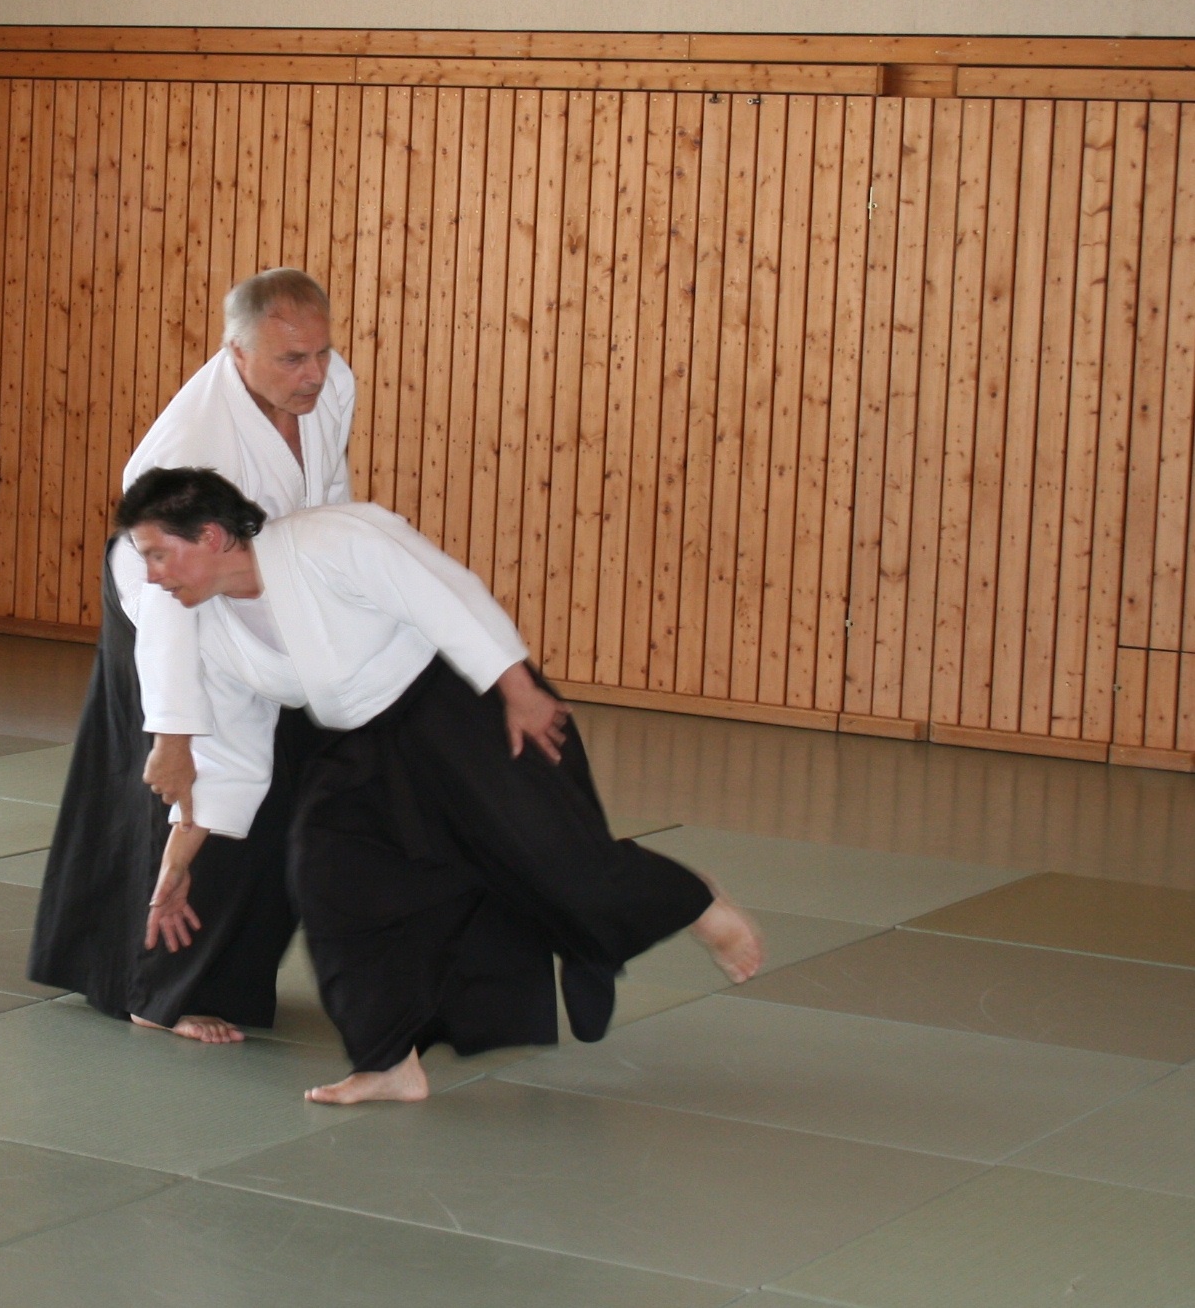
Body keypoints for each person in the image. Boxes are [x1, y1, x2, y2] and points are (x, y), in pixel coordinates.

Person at [118, 467, 765, 1104]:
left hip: (461, 703)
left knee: (558, 862)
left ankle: (692, 900)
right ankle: (388, 1062)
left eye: (156, 554)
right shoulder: (210, 629)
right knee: (328, 879)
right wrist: (178, 863)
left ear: (210, 536)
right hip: (359, 745)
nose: (151, 576)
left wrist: (517, 688)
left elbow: (446, 596)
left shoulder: (328, 540)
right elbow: (228, 756)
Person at [28, 268, 356, 1042]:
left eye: (320, 352)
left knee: (286, 777)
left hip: (255, 589)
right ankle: (157, 989)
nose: (313, 373)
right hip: (165, 597)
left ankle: (227, 974)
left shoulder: (327, 385)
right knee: (187, 785)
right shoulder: (187, 451)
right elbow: (167, 599)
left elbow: (326, 496)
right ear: (235, 353)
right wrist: (171, 733)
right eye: (291, 359)